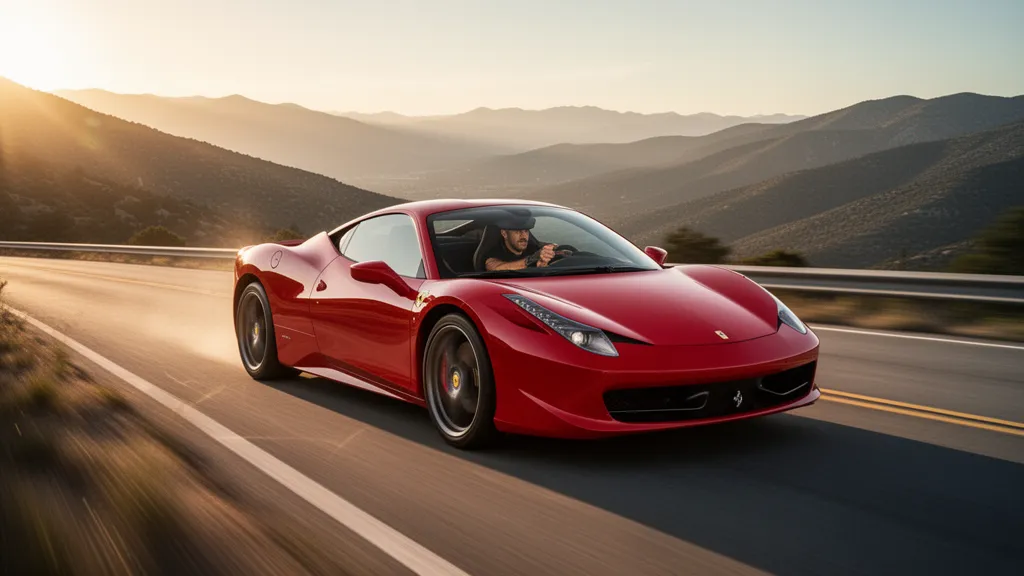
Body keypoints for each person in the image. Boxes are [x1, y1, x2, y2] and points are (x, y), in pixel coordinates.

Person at [483, 213, 559, 270]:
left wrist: (552, 253)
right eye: (517, 231)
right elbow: (496, 268)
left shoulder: (533, 248)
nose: (524, 236)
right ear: (504, 233)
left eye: (526, 231)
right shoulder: (494, 252)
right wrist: (531, 260)